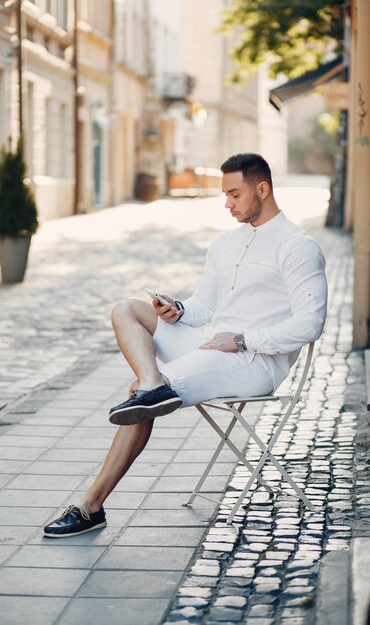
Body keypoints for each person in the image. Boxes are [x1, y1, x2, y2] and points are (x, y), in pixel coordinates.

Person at [43, 152, 328, 538]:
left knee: (139, 403)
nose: (227, 204)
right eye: (224, 195)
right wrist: (176, 309)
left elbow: (310, 323)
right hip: (208, 344)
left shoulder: (297, 246)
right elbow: (206, 305)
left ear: (262, 189)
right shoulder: (227, 243)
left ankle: (90, 506)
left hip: (252, 362)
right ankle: (151, 384)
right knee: (128, 309)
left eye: (234, 194)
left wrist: (243, 339)